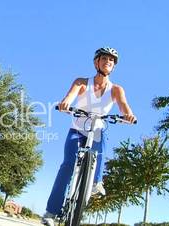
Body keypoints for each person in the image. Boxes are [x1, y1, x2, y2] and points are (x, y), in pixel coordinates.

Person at [42, 47, 137, 225]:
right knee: (67, 166)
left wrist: (129, 115)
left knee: (101, 141)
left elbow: (124, 105)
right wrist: (65, 103)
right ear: (96, 62)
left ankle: (96, 182)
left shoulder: (116, 89)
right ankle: (51, 213)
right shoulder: (82, 82)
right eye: (104, 59)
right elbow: (70, 96)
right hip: (77, 130)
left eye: (111, 60)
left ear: (114, 66)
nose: (108, 62)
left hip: (97, 130)